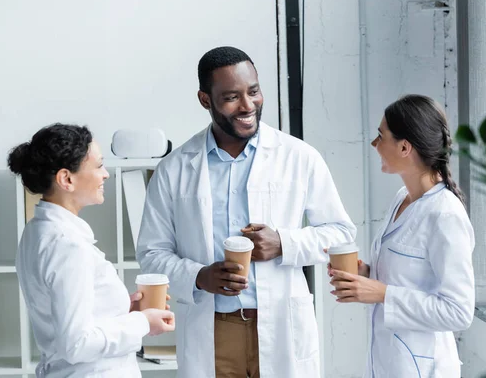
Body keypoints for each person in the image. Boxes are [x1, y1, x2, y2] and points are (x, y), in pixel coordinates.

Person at [136, 46, 356, 378]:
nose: (247, 105)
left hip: (280, 324)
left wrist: (284, 242)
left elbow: (340, 233)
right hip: (213, 328)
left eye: (253, 92)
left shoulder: (299, 156)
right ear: (205, 99)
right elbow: (152, 253)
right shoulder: (175, 168)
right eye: (231, 97)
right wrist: (199, 276)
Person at [8, 124, 175, 377]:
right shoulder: (67, 244)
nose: (106, 174)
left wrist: (119, 311)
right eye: (98, 166)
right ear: (67, 179)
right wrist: (142, 322)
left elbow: (68, 318)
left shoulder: (38, 230)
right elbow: (77, 344)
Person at [329, 95, 475, 378]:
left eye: (380, 136)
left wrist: (382, 294)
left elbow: (459, 312)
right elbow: (410, 276)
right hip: (388, 363)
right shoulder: (402, 199)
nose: (375, 144)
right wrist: (367, 274)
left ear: (405, 147)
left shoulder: (445, 215)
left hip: (423, 368)